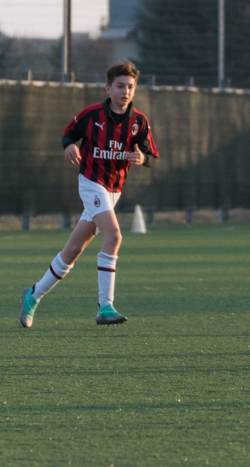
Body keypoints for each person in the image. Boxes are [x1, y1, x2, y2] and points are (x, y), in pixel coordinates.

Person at [19, 60, 159, 328]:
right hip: (91, 182)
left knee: (73, 249)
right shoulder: (92, 115)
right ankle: (105, 306)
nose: (125, 91)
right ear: (108, 88)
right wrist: (69, 146)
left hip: (113, 191)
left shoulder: (139, 122)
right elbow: (68, 135)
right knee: (114, 235)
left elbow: (151, 156)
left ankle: (32, 296)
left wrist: (143, 159)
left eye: (130, 87)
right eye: (120, 86)